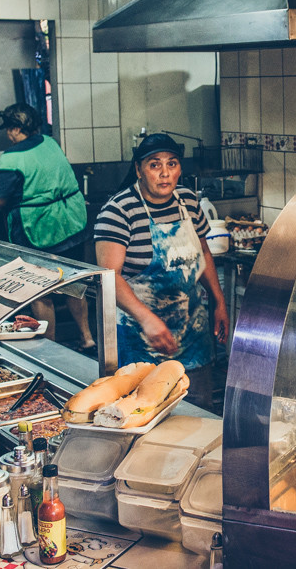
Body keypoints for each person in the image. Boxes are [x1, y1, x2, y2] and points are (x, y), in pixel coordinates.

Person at [93, 133, 228, 412]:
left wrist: (219, 301)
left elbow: (203, 253)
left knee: (196, 413)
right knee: (142, 414)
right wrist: (147, 319)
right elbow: (109, 277)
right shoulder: (118, 211)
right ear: (139, 169)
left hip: (192, 335)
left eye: (172, 164)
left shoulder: (188, 202)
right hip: (140, 341)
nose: (165, 173)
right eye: (155, 165)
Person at [0, 103, 95, 349]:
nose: (8, 134)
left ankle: (50, 348)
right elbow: (14, 176)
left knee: (40, 291)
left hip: (39, 230)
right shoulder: (48, 143)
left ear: (16, 128)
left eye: (9, 129)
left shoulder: (12, 156)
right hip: (71, 223)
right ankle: (87, 338)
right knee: (73, 284)